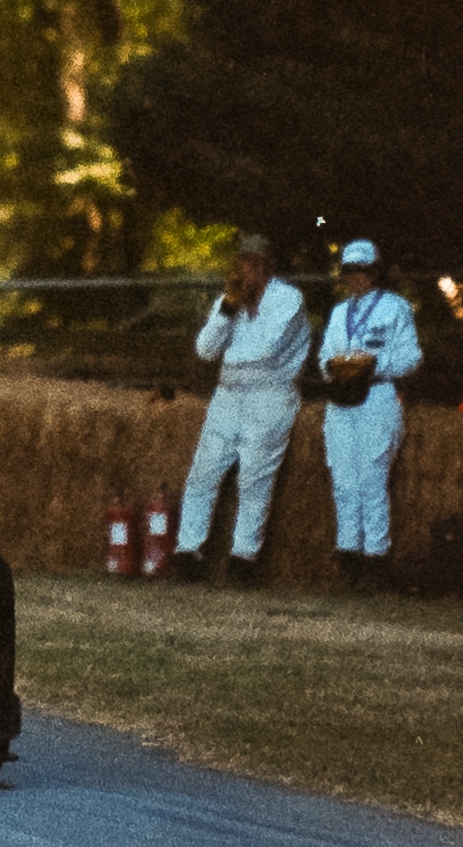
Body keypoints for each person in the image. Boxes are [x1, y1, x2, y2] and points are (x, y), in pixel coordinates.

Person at [171, 236, 310, 585]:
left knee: (254, 478)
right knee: (203, 472)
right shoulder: (228, 301)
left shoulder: (288, 299)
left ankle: (243, 559)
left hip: (269, 395)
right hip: (228, 395)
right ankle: (188, 551)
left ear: (266, 265)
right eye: (241, 262)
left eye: (250, 263)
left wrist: (229, 351)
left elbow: (267, 349)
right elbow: (204, 349)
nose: (243, 270)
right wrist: (227, 311)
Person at [319, 239, 422, 585]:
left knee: (372, 479)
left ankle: (375, 556)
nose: (356, 276)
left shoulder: (395, 307)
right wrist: (336, 368)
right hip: (341, 399)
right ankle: (348, 553)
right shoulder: (338, 313)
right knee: (343, 478)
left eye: (363, 269)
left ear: (375, 271)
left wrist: (371, 366)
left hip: (377, 395)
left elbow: (411, 358)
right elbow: (324, 357)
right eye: (350, 270)